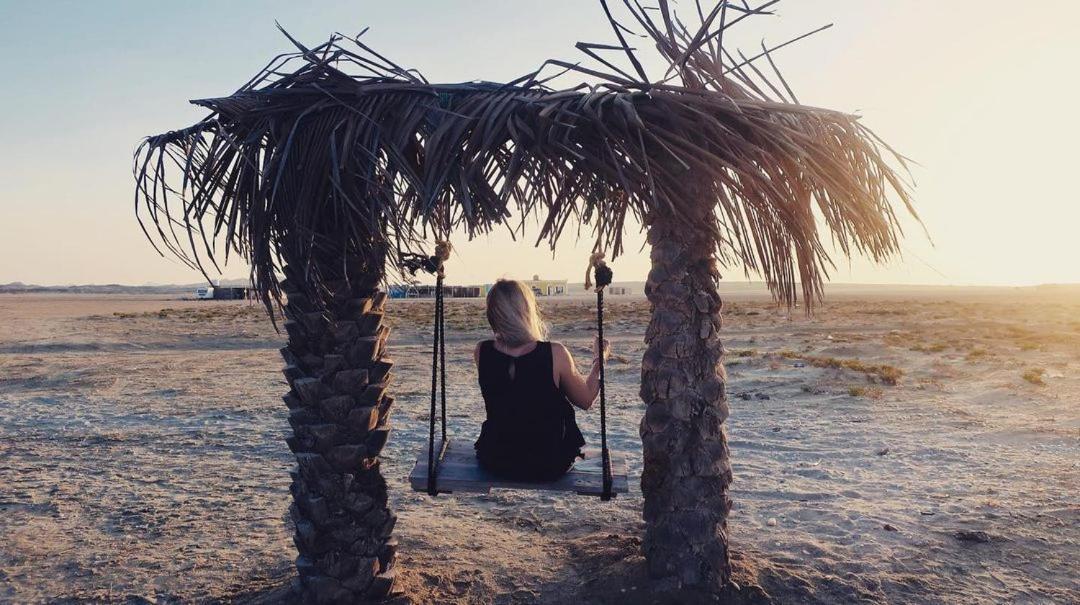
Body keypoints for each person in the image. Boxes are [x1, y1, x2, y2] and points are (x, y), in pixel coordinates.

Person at [473, 279, 610, 481]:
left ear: (492, 315)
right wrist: (599, 360)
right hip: (548, 463)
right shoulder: (555, 353)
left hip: (496, 459)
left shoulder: (481, 351)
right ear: (526, 311)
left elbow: (513, 390)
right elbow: (586, 399)